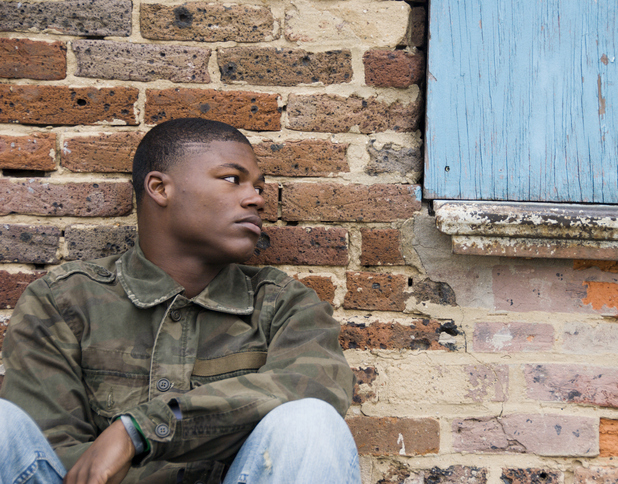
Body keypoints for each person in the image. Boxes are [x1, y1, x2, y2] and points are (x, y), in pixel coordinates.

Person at [0, 118, 360, 484]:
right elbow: (46, 453)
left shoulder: (282, 305)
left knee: (310, 422)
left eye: (259, 187)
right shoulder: (64, 300)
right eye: (233, 179)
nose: (257, 199)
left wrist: (138, 432)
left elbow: (316, 385)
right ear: (159, 188)